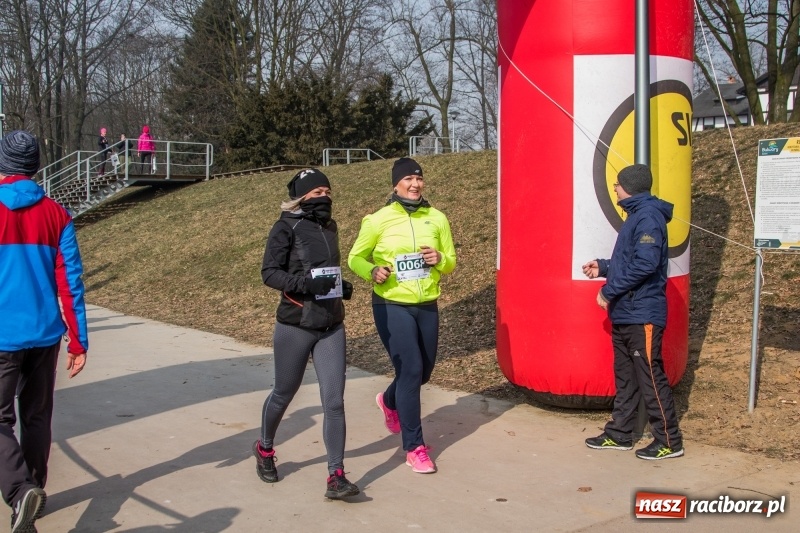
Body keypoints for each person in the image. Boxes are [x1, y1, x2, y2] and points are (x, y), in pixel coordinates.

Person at [0, 130, 89, 532]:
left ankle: (20, 494)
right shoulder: (57, 213)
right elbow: (70, 280)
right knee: (36, 416)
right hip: (45, 335)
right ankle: (34, 488)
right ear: (35, 166)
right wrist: (78, 338)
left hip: (3, 336)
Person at [255, 168, 359, 500]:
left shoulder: (331, 227)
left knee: (334, 402)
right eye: (316, 193)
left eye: (327, 191)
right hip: (295, 325)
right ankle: (265, 448)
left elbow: (326, 270)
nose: (324, 197)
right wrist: (306, 286)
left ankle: (336, 475)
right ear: (302, 198)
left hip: (331, 326)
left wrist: (338, 286)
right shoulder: (285, 227)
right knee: (284, 394)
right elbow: (269, 273)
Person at [348, 157, 456, 474]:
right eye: (408, 178)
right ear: (396, 184)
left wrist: (439, 258)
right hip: (391, 303)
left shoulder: (437, 219)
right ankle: (414, 447)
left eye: (419, 179)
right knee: (410, 370)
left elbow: (450, 261)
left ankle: (390, 401)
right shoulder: (377, 220)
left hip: (426, 304)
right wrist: (373, 270)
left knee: (423, 374)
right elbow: (356, 257)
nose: (414, 184)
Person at [582, 163, 683, 460]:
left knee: (651, 378)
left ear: (628, 186)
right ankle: (620, 434)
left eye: (617, 183)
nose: (613, 188)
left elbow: (646, 265)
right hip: (626, 313)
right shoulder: (636, 216)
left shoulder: (648, 217)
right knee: (625, 378)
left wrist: (608, 290)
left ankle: (669, 441)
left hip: (642, 315)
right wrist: (604, 266)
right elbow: (631, 261)